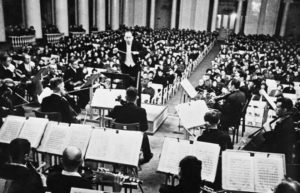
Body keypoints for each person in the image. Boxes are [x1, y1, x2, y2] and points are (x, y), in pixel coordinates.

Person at [108, 87, 153, 164]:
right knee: (144, 135)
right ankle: (147, 157)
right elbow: (145, 128)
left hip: (119, 136)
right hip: (134, 138)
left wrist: (121, 103)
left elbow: (110, 115)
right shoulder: (141, 111)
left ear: (126, 97)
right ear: (136, 98)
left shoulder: (117, 108)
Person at [263, 97, 296, 164]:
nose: (275, 109)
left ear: (285, 110)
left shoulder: (287, 125)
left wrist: (268, 131)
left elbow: (274, 145)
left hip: (280, 160)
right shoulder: (285, 119)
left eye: (278, 107)